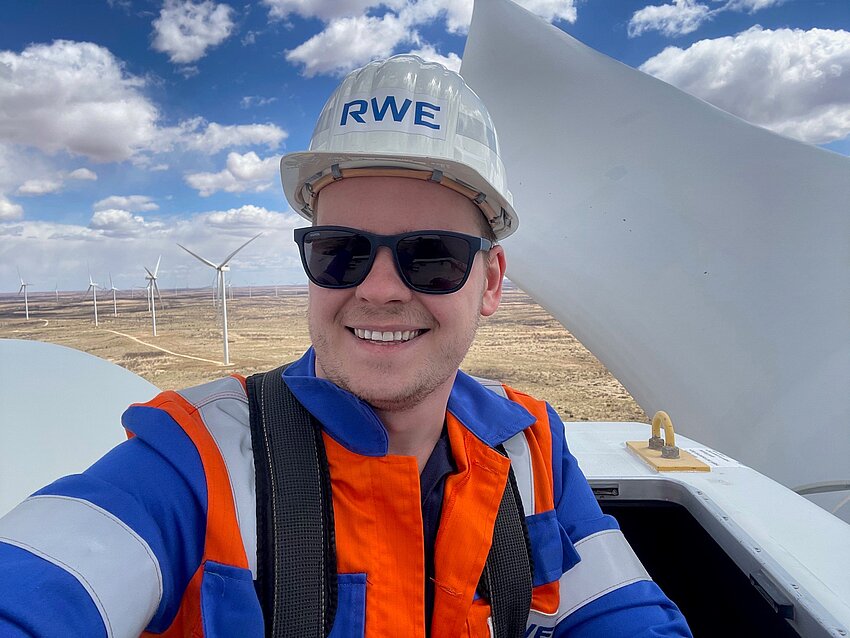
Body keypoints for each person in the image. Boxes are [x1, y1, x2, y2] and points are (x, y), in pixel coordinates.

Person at [0, 55, 692, 637]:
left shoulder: (532, 449)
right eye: (341, 252)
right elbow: (38, 589)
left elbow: (623, 616)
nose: (381, 289)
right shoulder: (193, 459)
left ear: (490, 281)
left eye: (432, 257)